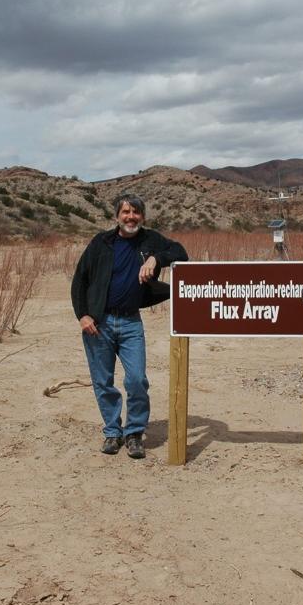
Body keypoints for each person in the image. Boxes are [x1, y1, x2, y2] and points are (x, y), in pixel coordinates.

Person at [71, 193, 188, 459]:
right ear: (117, 217)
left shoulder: (150, 240)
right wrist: (83, 315)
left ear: (142, 217)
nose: (131, 217)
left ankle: (134, 432)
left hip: (131, 322)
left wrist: (155, 259)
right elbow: (80, 280)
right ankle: (113, 432)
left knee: (136, 380)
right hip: (98, 323)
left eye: (136, 212)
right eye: (126, 212)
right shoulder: (101, 243)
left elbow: (180, 252)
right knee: (103, 382)